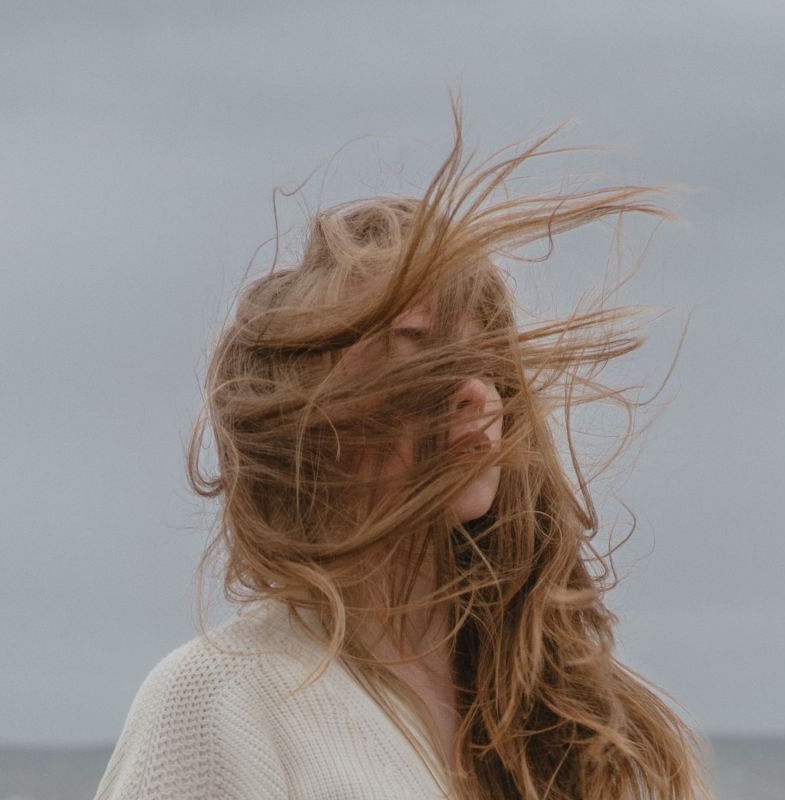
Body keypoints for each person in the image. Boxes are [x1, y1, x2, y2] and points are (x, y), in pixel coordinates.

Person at [93, 107, 711, 800]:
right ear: (306, 413)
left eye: (485, 360)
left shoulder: (551, 727)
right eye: (417, 351)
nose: (474, 392)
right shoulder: (223, 701)